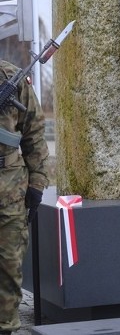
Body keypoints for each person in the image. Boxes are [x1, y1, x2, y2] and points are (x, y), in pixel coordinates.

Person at [0, 60, 49, 335]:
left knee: (9, 266)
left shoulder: (11, 77)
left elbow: (34, 133)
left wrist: (37, 183)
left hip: (9, 189)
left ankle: (6, 327)